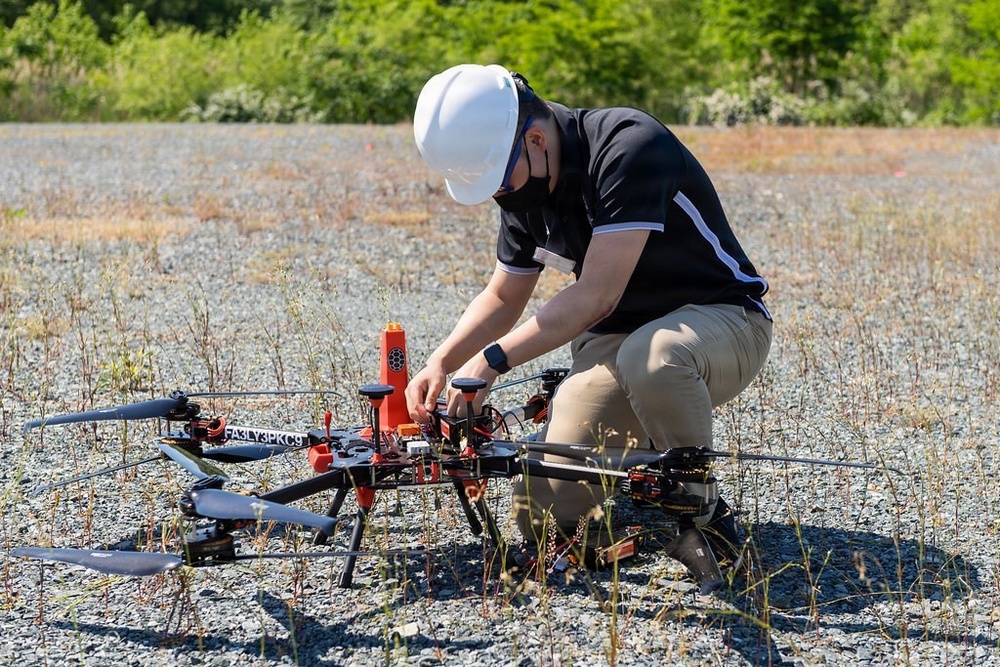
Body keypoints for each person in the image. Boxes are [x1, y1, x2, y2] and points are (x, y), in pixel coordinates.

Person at [406, 64, 772, 577]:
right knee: (541, 511)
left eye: (498, 181)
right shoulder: (526, 184)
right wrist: (442, 363)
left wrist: (490, 363)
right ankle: (642, 459)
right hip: (622, 341)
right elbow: (504, 295)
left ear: (535, 138)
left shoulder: (629, 146)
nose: (500, 197)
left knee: (655, 359)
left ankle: (703, 518)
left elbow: (596, 296)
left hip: (721, 319)